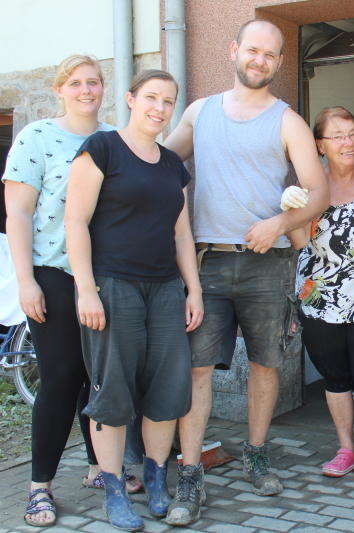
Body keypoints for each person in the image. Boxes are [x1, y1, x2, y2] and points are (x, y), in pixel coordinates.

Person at [162, 19, 327, 526]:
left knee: (264, 365)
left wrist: (280, 221)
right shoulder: (200, 112)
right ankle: (190, 474)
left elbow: (317, 192)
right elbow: (159, 164)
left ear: (279, 62)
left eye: (271, 55)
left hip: (268, 261)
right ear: (235, 50)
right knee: (196, 370)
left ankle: (256, 453)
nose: (260, 60)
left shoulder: (287, 121)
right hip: (207, 263)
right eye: (253, 50)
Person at [2, 54, 141, 529]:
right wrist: (25, 281)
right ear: (60, 89)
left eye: (95, 82)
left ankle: (99, 469)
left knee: (97, 377)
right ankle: (39, 486)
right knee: (61, 379)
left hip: (109, 277)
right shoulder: (37, 137)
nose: (87, 90)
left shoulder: (113, 140)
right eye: (77, 83)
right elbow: (18, 214)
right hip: (56, 275)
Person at [65, 69, 203, 531]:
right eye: (151, 97)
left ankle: (157, 479)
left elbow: (181, 232)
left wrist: (193, 290)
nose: (159, 108)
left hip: (165, 288)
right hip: (112, 286)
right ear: (130, 98)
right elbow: (75, 223)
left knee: (168, 389)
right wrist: (86, 288)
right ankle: (114, 489)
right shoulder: (101, 149)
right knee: (113, 391)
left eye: (168, 101)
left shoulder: (171, 165)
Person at [284, 106, 354, 481]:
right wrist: (290, 210)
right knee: (336, 377)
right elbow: (301, 245)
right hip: (318, 298)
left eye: (352, 133)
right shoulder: (311, 188)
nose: (348, 142)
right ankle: (346, 447)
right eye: (337, 136)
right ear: (319, 145)